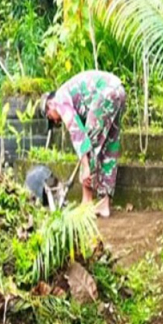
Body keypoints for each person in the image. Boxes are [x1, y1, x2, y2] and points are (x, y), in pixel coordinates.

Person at [43, 71, 127, 218]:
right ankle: (104, 204)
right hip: (118, 90)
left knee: (89, 142)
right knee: (109, 147)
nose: (56, 122)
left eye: (51, 117)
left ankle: (86, 201)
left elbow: (78, 135)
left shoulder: (59, 99)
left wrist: (86, 168)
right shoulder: (69, 98)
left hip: (105, 92)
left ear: (50, 104)